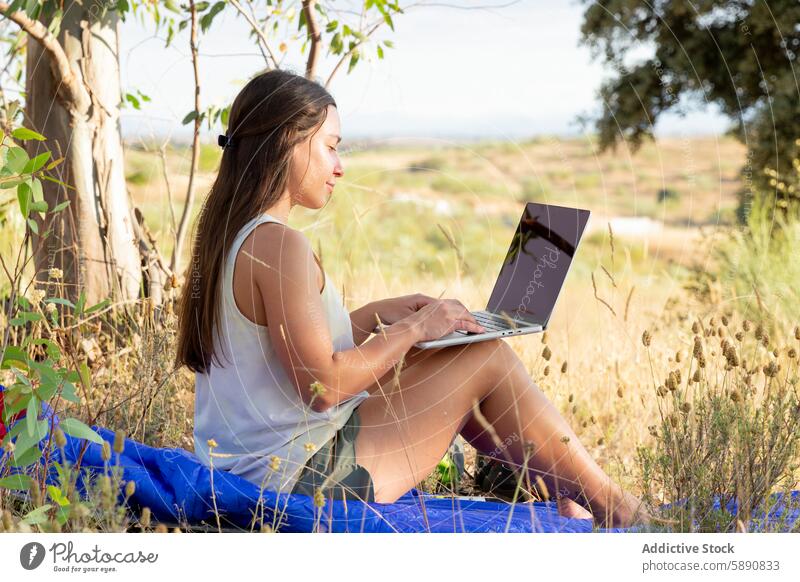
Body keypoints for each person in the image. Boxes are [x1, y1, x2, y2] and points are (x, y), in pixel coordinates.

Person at [174, 68, 651, 529]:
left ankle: (569, 492)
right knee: (485, 356)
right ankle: (615, 508)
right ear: (288, 144)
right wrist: (414, 330)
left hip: (260, 470)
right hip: (304, 484)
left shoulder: (233, 237)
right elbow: (323, 388)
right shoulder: (279, 245)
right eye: (331, 147)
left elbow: (276, 353)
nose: (339, 167)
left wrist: (380, 316)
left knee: (458, 356)